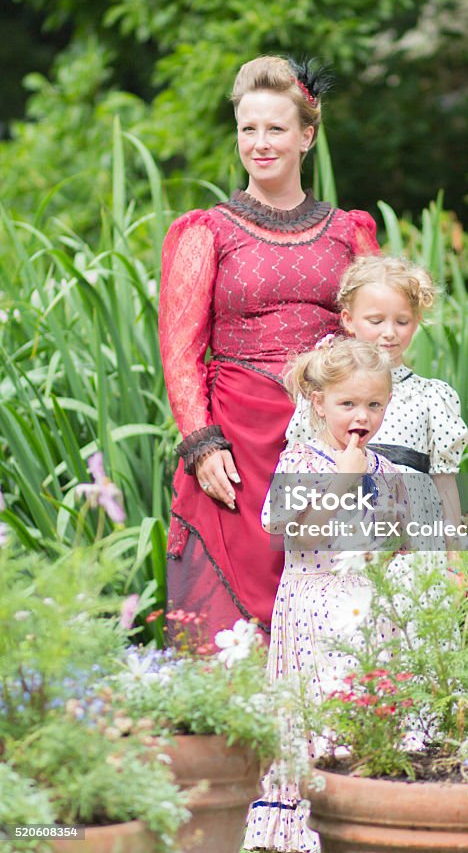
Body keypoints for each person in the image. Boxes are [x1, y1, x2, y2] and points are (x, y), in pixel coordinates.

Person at [158, 55, 379, 644]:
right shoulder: (208, 231)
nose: (260, 143)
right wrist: (201, 445)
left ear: (306, 136)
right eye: (247, 128)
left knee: (338, 623)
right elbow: (180, 353)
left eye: (275, 129)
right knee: (228, 641)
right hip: (233, 446)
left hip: (329, 445)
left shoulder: (348, 231)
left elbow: (377, 342)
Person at [243, 337, 405, 853]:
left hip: (370, 610)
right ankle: (308, 825)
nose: (362, 415)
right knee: (323, 709)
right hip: (316, 609)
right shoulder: (303, 461)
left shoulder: (387, 470)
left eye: (374, 404)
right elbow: (303, 534)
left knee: (369, 705)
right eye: (348, 404)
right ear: (319, 402)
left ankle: (368, 817)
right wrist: (342, 479)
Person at [287, 254, 468, 554]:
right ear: (348, 320)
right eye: (376, 321)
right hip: (344, 528)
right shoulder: (325, 394)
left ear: (417, 321)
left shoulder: (431, 397)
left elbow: (444, 480)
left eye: (402, 321)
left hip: (413, 534)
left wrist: (454, 548)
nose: (389, 332)